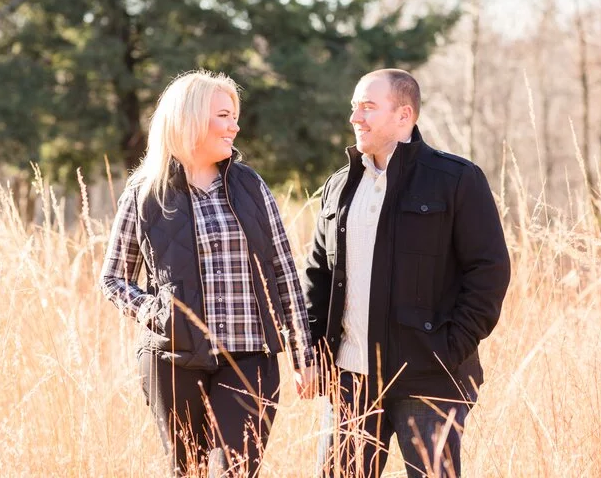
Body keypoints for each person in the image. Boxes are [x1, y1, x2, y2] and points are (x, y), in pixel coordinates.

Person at [99, 70, 314, 477]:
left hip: (249, 357)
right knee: (188, 471)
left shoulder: (251, 187)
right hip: (173, 359)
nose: (235, 125)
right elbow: (112, 279)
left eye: (234, 115)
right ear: (190, 119)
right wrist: (154, 311)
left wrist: (304, 354)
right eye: (224, 115)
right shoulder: (145, 193)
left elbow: (284, 269)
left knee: (236, 471)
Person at [299, 68, 511, 477]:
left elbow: (489, 271)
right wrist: (313, 350)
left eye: (368, 107)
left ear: (404, 115)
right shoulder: (339, 186)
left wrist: (449, 349)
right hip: (351, 382)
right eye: (353, 107)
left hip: (430, 378)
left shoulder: (456, 180)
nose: (355, 118)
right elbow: (318, 274)